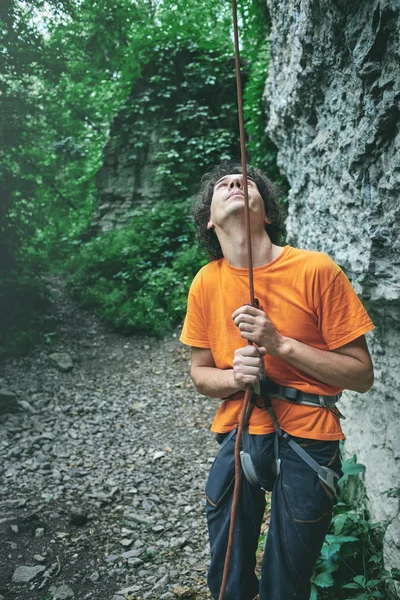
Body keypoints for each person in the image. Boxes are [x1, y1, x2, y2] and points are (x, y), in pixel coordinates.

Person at [179, 162, 374, 600]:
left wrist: (280, 344)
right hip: (241, 428)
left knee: (286, 584)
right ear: (209, 219)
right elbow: (199, 374)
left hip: (310, 431)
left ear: (266, 212)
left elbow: (361, 375)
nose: (233, 183)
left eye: (245, 181)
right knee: (226, 577)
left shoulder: (315, 270)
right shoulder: (205, 283)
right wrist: (233, 376)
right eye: (221, 185)